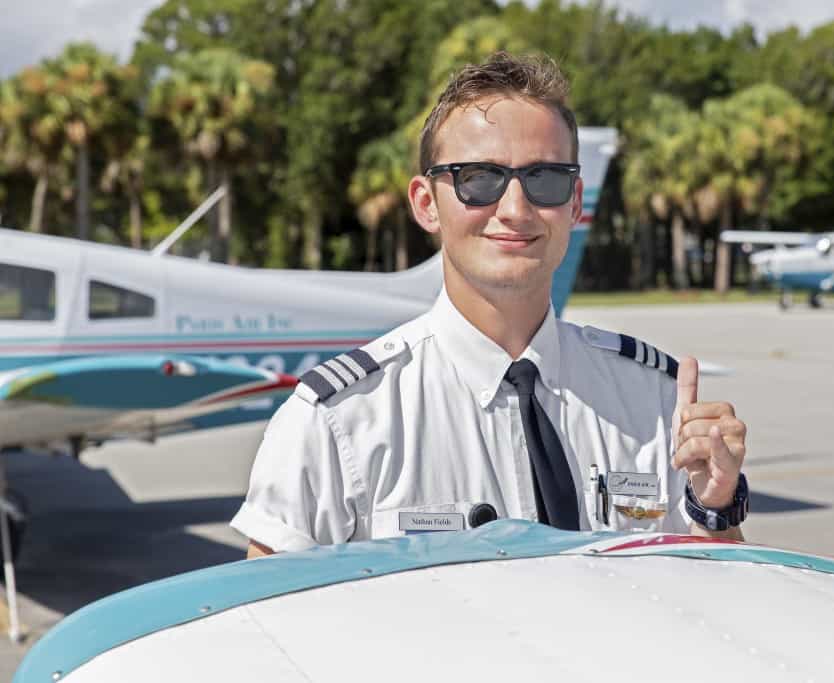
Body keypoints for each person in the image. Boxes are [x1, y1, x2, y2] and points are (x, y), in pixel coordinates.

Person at [231, 53, 749, 558]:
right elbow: (270, 625)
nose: (516, 209)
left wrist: (716, 507)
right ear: (426, 204)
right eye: (479, 180)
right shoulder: (340, 421)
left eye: (544, 180)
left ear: (573, 203)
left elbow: (709, 600)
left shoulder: (655, 402)